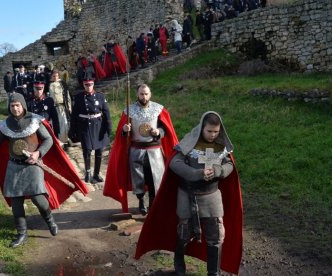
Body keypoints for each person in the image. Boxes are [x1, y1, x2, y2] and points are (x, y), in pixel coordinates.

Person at [135, 111, 243, 276]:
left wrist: (217, 170)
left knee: (216, 236)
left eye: (216, 131)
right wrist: (196, 174)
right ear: (202, 128)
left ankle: (213, 273)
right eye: (209, 131)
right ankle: (180, 269)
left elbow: (229, 165)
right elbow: (175, 163)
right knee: (183, 235)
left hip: (212, 197)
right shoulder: (189, 143)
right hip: (188, 196)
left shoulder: (221, 146)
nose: (213, 135)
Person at [0, 93, 88, 247]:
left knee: (38, 198)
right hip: (14, 166)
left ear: (23, 105)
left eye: (17, 105)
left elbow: (49, 139)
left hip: (33, 164)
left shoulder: (34, 120)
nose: (15, 108)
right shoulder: (5, 124)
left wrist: (38, 153)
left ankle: (50, 220)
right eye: (12, 106)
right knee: (16, 202)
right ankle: (22, 234)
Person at [104, 84, 178, 215]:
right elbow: (121, 133)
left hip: (154, 149)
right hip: (136, 150)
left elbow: (166, 130)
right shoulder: (129, 110)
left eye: (146, 94)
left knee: (154, 179)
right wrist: (125, 130)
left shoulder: (159, 109)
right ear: (137, 95)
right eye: (141, 94)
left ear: (150, 94)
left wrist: (158, 131)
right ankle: (141, 201)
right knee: (138, 178)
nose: (144, 97)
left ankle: (153, 203)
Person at [69, 75, 111, 184]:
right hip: (84, 126)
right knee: (87, 149)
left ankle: (96, 174)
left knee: (99, 151)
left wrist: (108, 127)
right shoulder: (78, 97)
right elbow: (74, 115)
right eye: (86, 85)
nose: (88, 87)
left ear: (93, 84)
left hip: (98, 125)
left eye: (90, 84)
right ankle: (88, 172)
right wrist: (72, 129)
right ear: (83, 85)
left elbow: (106, 113)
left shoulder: (100, 96)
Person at [49, 70, 71, 143]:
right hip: (53, 108)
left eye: (57, 76)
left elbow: (67, 96)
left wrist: (69, 107)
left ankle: (65, 140)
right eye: (54, 76)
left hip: (61, 107)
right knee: (55, 124)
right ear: (51, 76)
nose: (55, 77)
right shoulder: (49, 85)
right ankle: (58, 141)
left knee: (64, 123)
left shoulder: (62, 84)